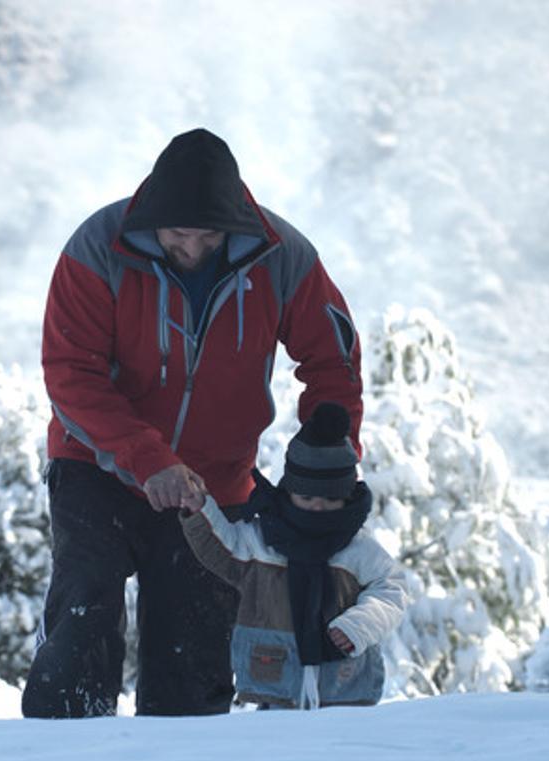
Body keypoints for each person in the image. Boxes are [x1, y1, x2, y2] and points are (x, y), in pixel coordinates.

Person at [22, 128, 364, 718]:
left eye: (208, 236)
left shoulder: (282, 256)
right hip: (96, 466)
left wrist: (329, 451)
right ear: (149, 213)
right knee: (85, 616)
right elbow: (69, 372)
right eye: (178, 234)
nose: (192, 247)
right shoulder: (97, 248)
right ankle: (64, 760)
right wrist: (148, 458)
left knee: (194, 665)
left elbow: (333, 362)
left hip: (213, 488)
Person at [179, 402, 406, 709]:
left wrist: (357, 626)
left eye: (330, 499)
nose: (317, 507)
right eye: (307, 496)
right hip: (273, 682)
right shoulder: (263, 542)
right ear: (289, 492)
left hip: (345, 691)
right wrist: (200, 509)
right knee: (279, 756)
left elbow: (391, 592)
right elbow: (222, 547)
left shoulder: (359, 551)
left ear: (347, 496)